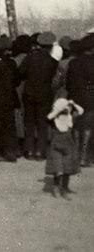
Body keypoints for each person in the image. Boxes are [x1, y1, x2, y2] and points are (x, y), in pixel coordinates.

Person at [20, 32, 59, 159]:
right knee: (42, 123)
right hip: (45, 94)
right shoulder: (53, 62)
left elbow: (21, 73)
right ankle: (40, 151)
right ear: (51, 46)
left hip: (29, 93)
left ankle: (29, 150)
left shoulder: (29, 58)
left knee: (29, 122)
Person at [46, 98, 83, 198]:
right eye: (63, 110)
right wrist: (59, 109)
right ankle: (56, 188)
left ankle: (65, 188)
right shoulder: (54, 120)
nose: (65, 111)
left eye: (66, 109)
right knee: (58, 169)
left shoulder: (70, 118)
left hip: (68, 146)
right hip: (56, 148)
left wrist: (73, 104)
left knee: (67, 168)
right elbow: (48, 117)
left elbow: (81, 111)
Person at [67, 34, 94, 166]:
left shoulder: (73, 62)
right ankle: (84, 157)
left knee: (77, 128)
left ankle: (75, 157)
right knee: (88, 128)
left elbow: (68, 83)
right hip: (91, 97)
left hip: (75, 97)